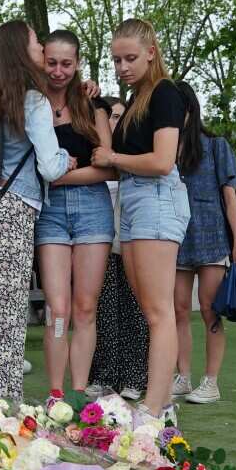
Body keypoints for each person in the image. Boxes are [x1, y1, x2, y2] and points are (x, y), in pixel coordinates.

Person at [0, 20, 70, 403]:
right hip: (15, 207)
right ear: (22, 52)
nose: (41, 47)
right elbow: (49, 167)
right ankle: (4, 401)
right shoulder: (33, 101)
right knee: (9, 305)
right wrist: (68, 158)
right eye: (37, 42)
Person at [90, 19, 189, 420]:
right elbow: (108, 153)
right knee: (150, 308)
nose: (122, 66)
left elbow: (163, 161)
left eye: (130, 57)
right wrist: (97, 107)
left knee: (158, 311)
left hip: (156, 198)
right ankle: (159, 401)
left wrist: (114, 159)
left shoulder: (166, 92)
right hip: (132, 198)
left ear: (151, 52)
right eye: (116, 60)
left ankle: (155, 406)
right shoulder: (136, 99)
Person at [35, 29, 115, 397]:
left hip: (92, 210)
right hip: (49, 213)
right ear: (42, 60)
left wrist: (59, 178)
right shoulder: (31, 104)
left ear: (78, 64)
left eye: (66, 63)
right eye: (51, 62)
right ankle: (56, 394)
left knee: (85, 307)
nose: (58, 70)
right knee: (58, 308)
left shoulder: (91, 104)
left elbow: (109, 167)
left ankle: (80, 393)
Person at [172, 81, 236, 404]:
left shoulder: (216, 146)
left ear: (189, 109)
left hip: (211, 236)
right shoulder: (165, 147)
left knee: (209, 309)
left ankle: (211, 381)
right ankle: (183, 376)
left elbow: (230, 199)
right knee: (177, 309)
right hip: (176, 236)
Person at [90, 95, 147, 401]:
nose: (113, 122)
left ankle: (135, 377)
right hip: (100, 239)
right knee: (104, 311)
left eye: (118, 118)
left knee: (135, 309)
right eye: (110, 116)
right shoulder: (95, 153)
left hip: (133, 238)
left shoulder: (132, 156)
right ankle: (103, 375)